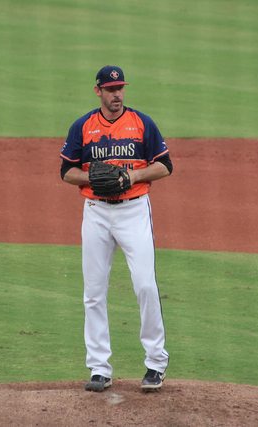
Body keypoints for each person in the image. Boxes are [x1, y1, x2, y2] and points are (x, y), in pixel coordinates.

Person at [60, 65, 172, 392]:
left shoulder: (142, 123)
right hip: (96, 212)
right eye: (110, 90)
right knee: (94, 292)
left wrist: (133, 176)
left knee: (145, 285)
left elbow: (165, 165)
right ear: (98, 91)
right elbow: (66, 172)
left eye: (120, 88)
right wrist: (93, 178)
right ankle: (99, 369)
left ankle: (156, 363)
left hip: (133, 211)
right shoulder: (82, 126)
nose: (116, 94)